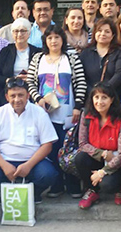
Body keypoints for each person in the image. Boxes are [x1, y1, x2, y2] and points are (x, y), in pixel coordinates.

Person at [27, 25, 86, 197]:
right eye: (50, 38)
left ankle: (73, 185)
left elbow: (81, 83)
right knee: (52, 150)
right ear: (45, 40)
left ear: (62, 40)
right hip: (45, 114)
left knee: (69, 149)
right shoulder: (38, 58)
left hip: (68, 114)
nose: (53, 41)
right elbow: (30, 82)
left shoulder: (72, 58)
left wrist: (78, 107)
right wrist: (38, 99)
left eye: (57, 37)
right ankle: (57, 185)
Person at [0, 78, 59, 204]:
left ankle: (33, 193)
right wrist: (4, 165)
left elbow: (47, 145)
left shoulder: (39, 113)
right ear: (7, 97)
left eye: (21, 95)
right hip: (5, 160)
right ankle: (5, 192)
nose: (17, 99)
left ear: (28, 95)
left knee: (48, 175)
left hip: (32, 161)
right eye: (13, 96)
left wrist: (28, 165)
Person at [76, 83, 121, 209]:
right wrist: (102, 153)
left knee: (108, 185)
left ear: (112, 100)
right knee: (80, 158)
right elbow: (82, 143)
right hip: (99, 158)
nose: (99, 102)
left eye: (104, 97)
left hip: (119, 164)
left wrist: (102, 172)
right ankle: (92, 190)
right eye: (96, 97)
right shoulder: (86, 116)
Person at [0, 18, 40, 103]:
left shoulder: (37, 52)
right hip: (10, 97)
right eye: (16, 31)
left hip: (32, 96)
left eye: (23, 31)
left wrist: (29, 78)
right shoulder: (6, 51)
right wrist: (11, 80)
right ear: (12, 33)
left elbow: (43, 76)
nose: (19, 34)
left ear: (29, 33)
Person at [79, 18, 121, 97]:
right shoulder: (85, 52)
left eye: (107, 31)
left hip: (113, 97)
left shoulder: (119, 51)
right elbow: (81, 77)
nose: (103, 34)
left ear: (113, 35)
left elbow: (120, 73)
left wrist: (104, 90)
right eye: (99, 30)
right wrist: (93, 92)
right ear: (94, 33)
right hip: (90, 98)